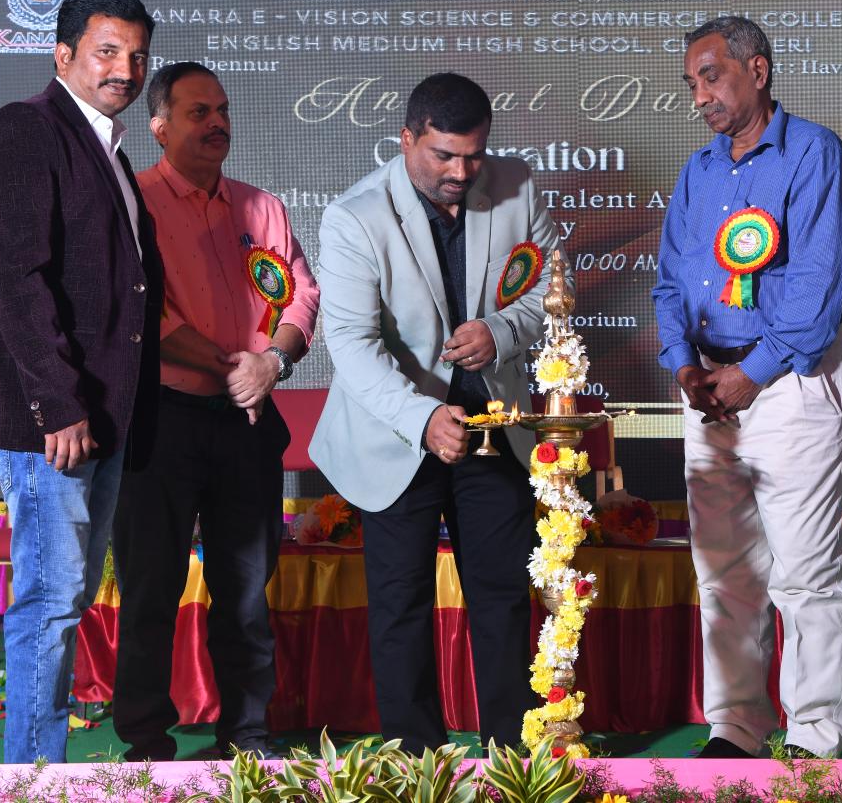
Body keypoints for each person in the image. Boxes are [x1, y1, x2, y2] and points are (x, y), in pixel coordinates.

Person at [309, 72, 559, 752]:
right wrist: (421, 418)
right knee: (401, 604)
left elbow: (548, 291)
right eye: (444, 155)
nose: (461, 172)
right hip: (395, 433)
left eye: (474, 155)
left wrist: (501, 331)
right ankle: (415, 763)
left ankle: (514, 757)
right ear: (407, 139)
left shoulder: (517, 186)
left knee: (502, 596)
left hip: (492, 428)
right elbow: (351, 345)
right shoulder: (354, 216)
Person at [651, 15, 842, 759]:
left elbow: (816, 288)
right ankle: (736, 729)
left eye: (711, 77)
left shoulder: (814, 153)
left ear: (759, 70)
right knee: (724, 576)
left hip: (789, 385)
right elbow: (670, 282)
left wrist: (750, 374)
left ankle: (815, 737)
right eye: (692, 84)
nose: (699, 97)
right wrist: (684, 365)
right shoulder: (699, 171)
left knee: (804, 575)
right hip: (709, 390)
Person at [0, 0, 162, 763]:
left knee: (66, 595)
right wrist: (56, 402)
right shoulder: (26, 129)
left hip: (101, 418)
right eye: (107, 52)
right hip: (54, 422)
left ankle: (37, 766)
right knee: (50, 599)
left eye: (136, 55)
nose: (125, 69)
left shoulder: (108, 150)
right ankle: (32, 776)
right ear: (63, 54)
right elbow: (15, 275)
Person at [112, 61, 320, 760]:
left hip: (246, 423)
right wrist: (234, 367)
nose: (217, 123)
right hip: (160, 421)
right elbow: (139, 310)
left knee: (246, 593)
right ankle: (146, 744)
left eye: (223, 109)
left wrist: (273, 363)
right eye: (198, 112)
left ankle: (248, 736)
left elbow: (301, 296)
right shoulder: (133, 201)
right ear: (159, 127)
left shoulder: (262, 208)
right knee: (151, 589)